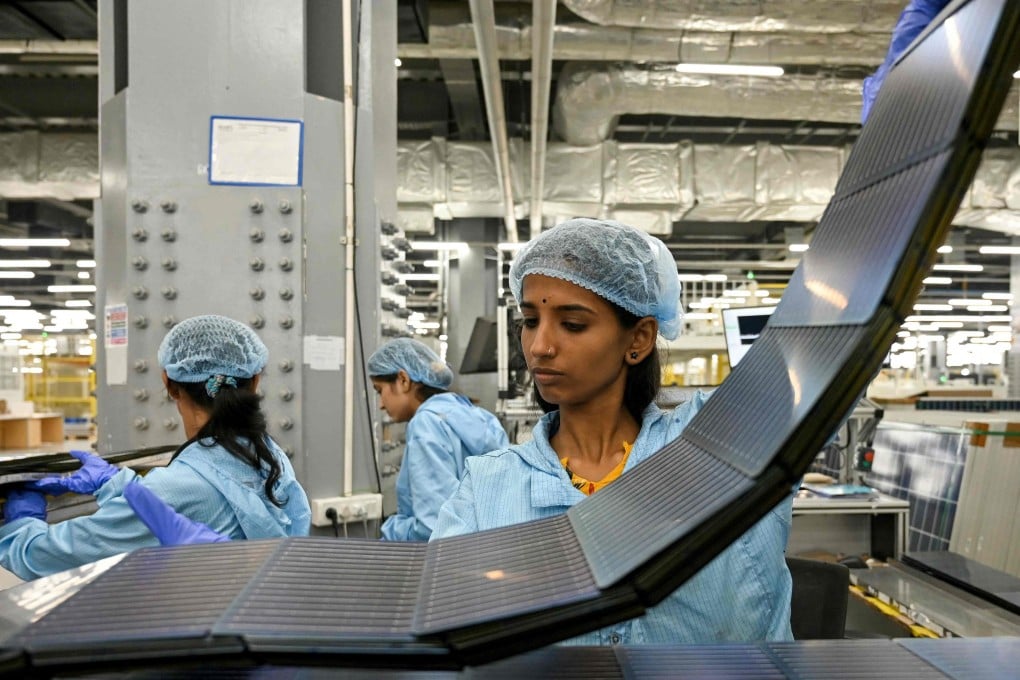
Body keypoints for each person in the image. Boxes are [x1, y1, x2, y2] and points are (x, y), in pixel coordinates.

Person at [431, 218, 794, 644]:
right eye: (530, 320)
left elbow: (823, 370)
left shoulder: (720, 447)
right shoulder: (487, 490)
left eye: (573, 324)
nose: (539, 346)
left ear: (638, 338)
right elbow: (443, 629)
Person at [0, 314, 311, 580]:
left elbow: (46, 557)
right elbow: (188, 501)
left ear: (169, 383)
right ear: (255, 381)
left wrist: (20, 523)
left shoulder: (174, 489)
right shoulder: (269, 456)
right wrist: (119, 486)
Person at [368, 338, 508, 541]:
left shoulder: (425, 425)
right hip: (488, 547)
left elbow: (434, 526)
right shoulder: (481, 416)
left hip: (448, 560)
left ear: (403, 380)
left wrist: (392, 532)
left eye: (380, 391)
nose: (381, 404)